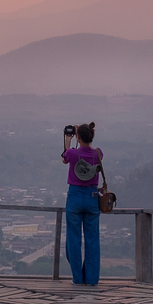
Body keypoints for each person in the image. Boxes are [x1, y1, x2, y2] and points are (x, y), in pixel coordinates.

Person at [61, 122, 102, 285]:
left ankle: (78, 278)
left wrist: (69, 139)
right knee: (92, 240)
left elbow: (65, 158)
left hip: (75, 196)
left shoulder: (72, 154)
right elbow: (87, 149)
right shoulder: (98, 153)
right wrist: (82, 134)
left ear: (78, 137)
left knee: (74, 239)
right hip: (92, 197)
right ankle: (91, 279)